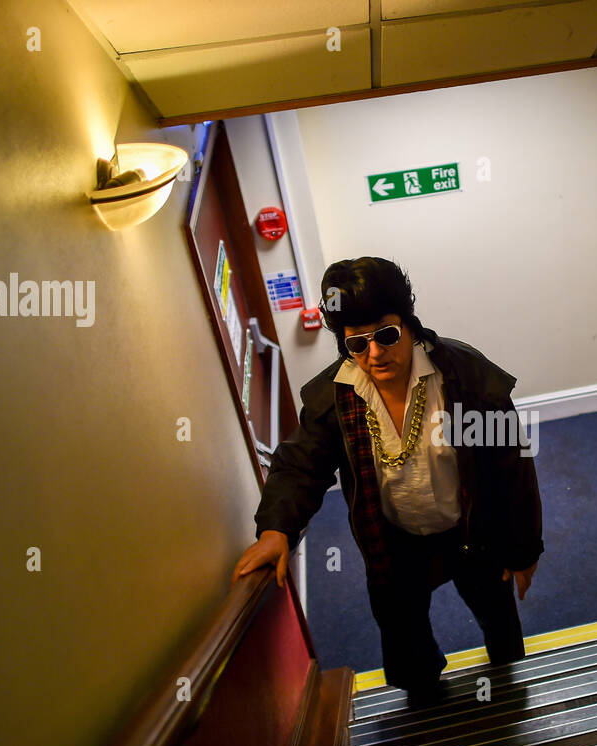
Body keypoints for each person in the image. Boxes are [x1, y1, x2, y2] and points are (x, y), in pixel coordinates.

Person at [232, 257, 542, 707]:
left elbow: (511, 464)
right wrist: (276, 528)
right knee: (405, 641)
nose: (375, 354)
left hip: (473, 532)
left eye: (386, 335)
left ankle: (511, 688)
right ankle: (425, 705)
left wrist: (524, 547)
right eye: (356, 343)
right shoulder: (336, 397)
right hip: (394, 544)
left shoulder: (464, 376)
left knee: (498, 618)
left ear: (409, 324)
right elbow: (301, 466)